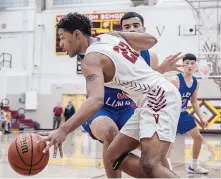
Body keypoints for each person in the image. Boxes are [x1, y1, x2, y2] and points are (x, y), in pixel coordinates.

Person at [38, 12, 183, 178]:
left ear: (77, 34)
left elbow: (96, 99)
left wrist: (63, 130)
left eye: (62, 37)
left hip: (158, 97)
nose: (62, 44)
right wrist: (121, 35)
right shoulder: (110, 37)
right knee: (113, 155)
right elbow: (151, 40)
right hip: (146, 100)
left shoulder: (90, 59)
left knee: (150, 163)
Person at [81, 12, 159, 177]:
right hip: (103, 107)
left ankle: (162, 174)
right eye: (127, 27)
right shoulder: (107, 50)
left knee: (154, 148)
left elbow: (149, 83)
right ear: (121, 33)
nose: (131, 29)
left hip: (127, 108)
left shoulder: (150, 57)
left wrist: (162, 70)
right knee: (110, 133)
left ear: (144, 29)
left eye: (136, 25)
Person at [169, 53, 209, 174]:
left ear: (196, 65)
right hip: (170, 113)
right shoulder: (175, 80)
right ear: (183, 65)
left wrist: (202, 118)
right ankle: (166, 167)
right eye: (187, 63)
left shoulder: (195, 82)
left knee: (198, 138)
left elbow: (194, 102)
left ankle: (194, 165)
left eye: (192, 63)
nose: (189, 66)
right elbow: (167, 100)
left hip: (183, 113)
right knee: (168, 142)